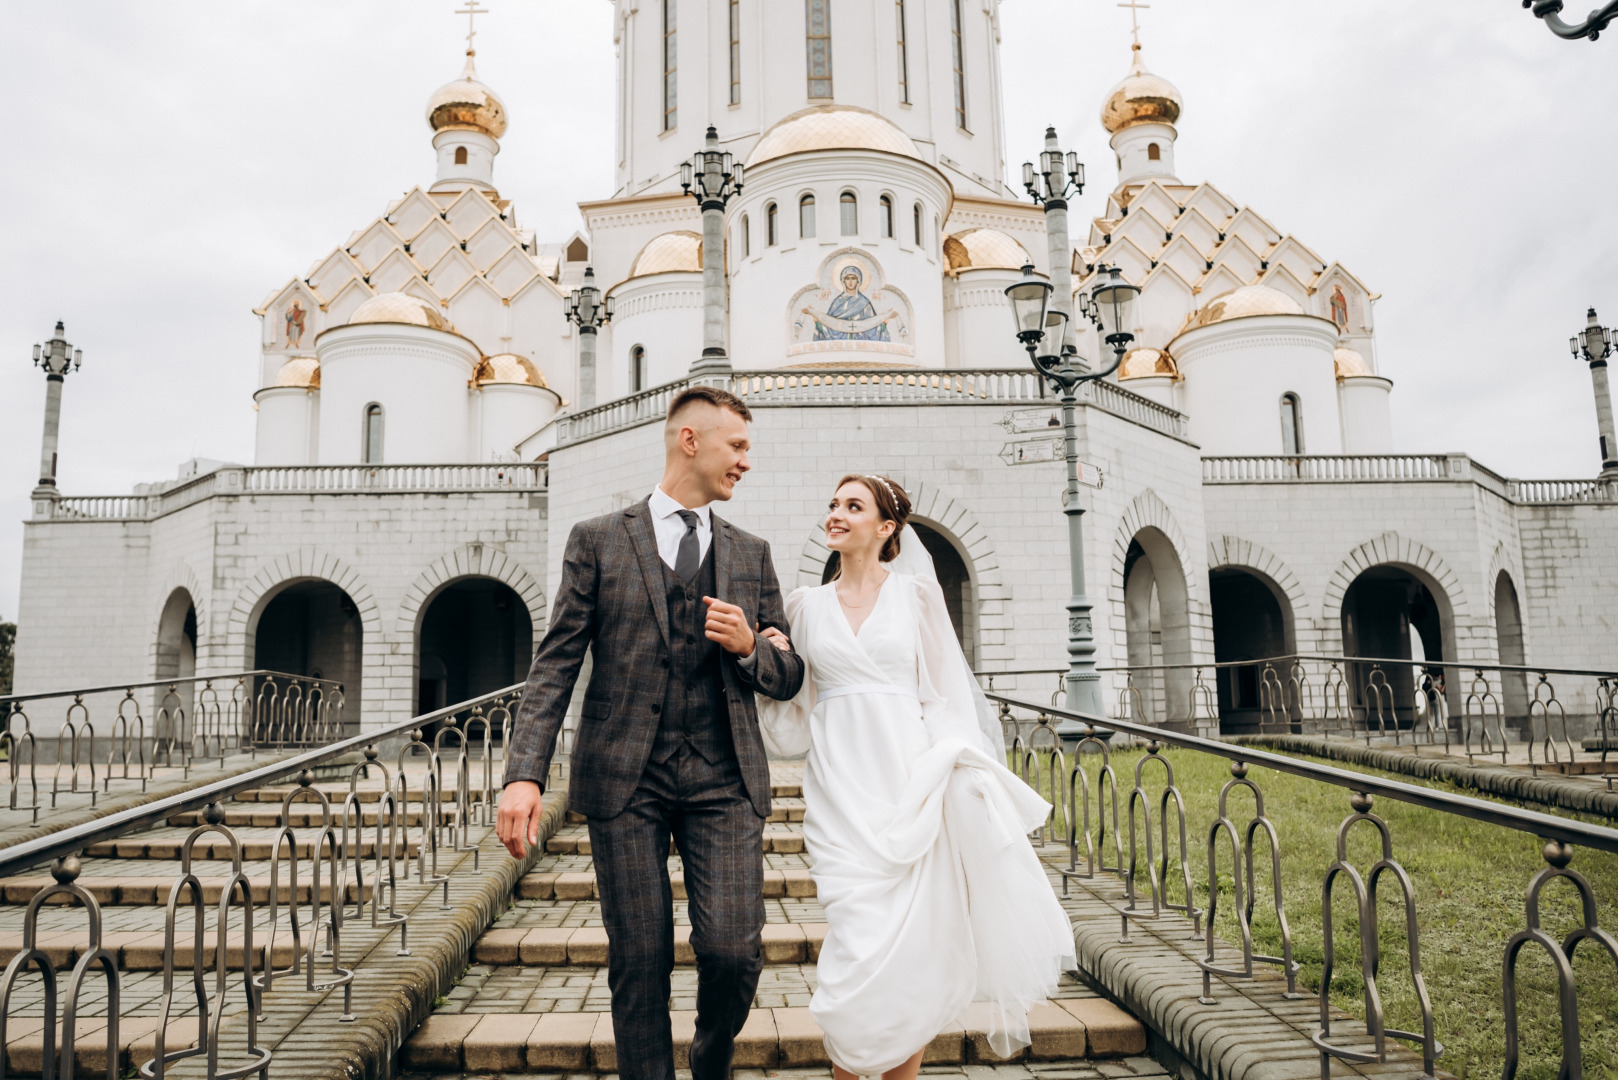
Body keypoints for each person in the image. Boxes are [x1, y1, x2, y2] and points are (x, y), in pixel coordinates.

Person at [497, 385, 806, 1080]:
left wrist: (749, 647)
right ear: (689, 441)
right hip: (624, 779)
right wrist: (525, 773)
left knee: (733, 950)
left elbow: (787, 675)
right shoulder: (598, 540)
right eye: (738, 446)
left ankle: (709, 1054)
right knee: (638, 958)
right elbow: (557, 663)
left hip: (724, 778)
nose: (746, 463)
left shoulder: (751, 553)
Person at [755, 475, 1074, 1080]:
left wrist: (947, 777)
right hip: (840, 789)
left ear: (886, 528)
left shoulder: (917, 599)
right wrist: (769, 653)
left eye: (854, 506)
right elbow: (793, 707)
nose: (837, 514)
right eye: (833, 504)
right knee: (855, 946)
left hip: (909, 782)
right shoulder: (802, 605)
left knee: (914, 953)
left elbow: (944, 696)